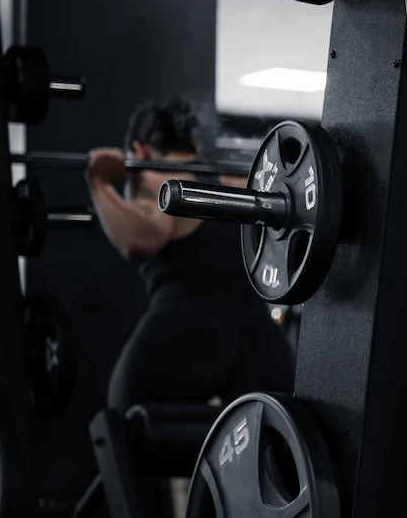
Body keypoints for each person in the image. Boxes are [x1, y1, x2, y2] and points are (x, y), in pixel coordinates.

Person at [85, 97, 294, 409]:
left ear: (139, 150)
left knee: (123, 420)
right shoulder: (233, 182)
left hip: (188, 331)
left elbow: (139, 240)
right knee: (269, 437)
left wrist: (99, 182)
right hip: (259, 339)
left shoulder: (157, 179)